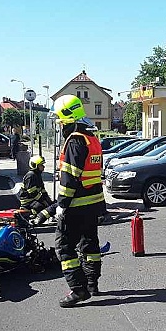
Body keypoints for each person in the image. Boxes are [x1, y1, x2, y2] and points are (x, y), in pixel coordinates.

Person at [51, 94, 105, 307]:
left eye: (61, 122)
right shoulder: (92, 139)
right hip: (92, 204)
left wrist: (62, 204)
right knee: (90, 245)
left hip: (75, 206)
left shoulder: (74, 142)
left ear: (68, 120)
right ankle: (92, 284)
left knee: (64, 248)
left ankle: (78, 289)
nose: (61, 127)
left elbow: (70, 177)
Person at [19, 155, 57, 225]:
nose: (43, 167)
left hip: (33, 198)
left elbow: (43, 190)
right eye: (41, 165)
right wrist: (43, 201)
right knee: (41, 206)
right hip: (28, 200)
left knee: (50, 205)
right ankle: (29, 214)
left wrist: (49, 201)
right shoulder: (30, 176)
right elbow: (32, 193)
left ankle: (51, 217)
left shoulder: (37, 175)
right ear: (35, 166)